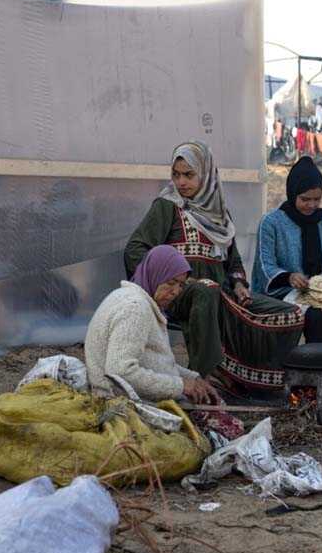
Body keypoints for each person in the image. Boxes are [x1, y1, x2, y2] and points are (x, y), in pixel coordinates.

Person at [124, 141, 306, 398]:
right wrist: (163, 281)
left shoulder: (220, 213)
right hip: (181, 295)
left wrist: (239, 284)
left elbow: (233, 261)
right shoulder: (167, 206)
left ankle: (253, 380)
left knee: (290, 313)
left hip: (222, 294)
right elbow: (135, 249)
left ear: (206, 174)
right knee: (206, 289)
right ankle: (203, 375)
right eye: (176, 174)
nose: (181, 182)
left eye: (189, 175)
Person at [86, 245, 220, 405]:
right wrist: (180, 386)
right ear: (156, 274)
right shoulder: (134, 308)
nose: (176, 291)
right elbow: (120, 372)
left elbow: (156, 362)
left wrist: (193, 378)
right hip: (120, 405)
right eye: (171, 282)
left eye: (181, 285)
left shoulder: (141, 302)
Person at [251, 156, 322, 342]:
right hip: (283, 293)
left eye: (317, 199)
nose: (312, 205)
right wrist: (289, 277)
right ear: (292, 193)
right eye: (305, 199)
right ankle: (318, 359)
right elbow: (265, 266)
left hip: (320, 292)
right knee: (317, 317)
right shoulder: (271, 223)